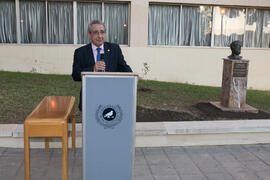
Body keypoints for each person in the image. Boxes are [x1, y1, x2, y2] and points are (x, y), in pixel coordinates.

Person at [72, 20, 132, 111]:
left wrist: (133, 76)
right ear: (89, 34)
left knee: (111, 122)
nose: (100, 36)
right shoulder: (80, 52)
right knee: (91, 124)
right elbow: (75, 75)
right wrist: (93, 69)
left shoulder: (114, 49)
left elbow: (123, 67)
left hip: (112, 97)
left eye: (102, 32)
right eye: (96, 32)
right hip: (90, 98)